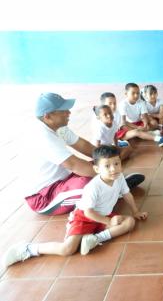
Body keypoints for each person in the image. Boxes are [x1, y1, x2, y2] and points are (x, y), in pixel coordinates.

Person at [3, 146, 148, 268]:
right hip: (84, 217)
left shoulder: (119, 177)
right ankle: (28, 249)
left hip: (102, 217)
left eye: (117, 164)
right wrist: (109, 222)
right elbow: (88, 212)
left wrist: (135, 211)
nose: (114, 169)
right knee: (67, 249)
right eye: (107, 166)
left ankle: (95, 239)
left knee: (130, 222)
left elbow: (127, 194)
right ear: (97, 169)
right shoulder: (93, 187)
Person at [21, 93, 144, 216]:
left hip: (66, 179)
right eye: (63, 111)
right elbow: (73, 164)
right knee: (89, 186)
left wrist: (108, 163)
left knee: (101, 166)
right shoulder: (42, 136)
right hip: (44, 196)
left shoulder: (58, 127)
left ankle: (113, 187)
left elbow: (83, 145)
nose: (68, 113)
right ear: (48, 116)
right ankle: (115, 190)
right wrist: (116, 177)